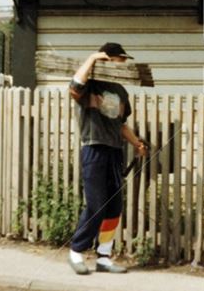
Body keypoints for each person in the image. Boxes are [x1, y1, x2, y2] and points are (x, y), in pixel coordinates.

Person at [67, 43, 147, 275]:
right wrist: (92, 58)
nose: (123, 63)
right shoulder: (89, 86)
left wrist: (136, 143)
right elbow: (74, 87)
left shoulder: (121, 91)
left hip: (114, 151)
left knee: (113, 206)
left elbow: (120, 124)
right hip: (94, 148)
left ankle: (103, 256)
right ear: (107, 60)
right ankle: (76, 251)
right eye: (119, 59)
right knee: (96, 204)